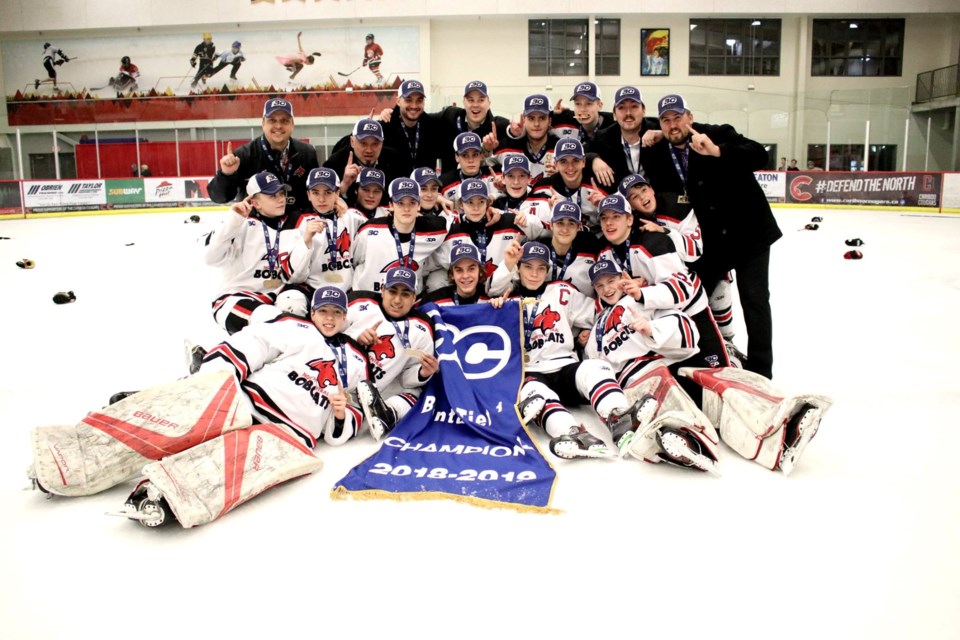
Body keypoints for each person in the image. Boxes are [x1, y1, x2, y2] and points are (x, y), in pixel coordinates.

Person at [640, 94, 782, 379]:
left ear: (689, 118)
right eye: (665, 120)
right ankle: (706, 356)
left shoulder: (717, 134)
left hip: (748, 233)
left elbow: (759, 154)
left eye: (677, 117)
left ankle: (761, 372)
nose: (672, 124)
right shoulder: (657, 151)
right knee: (693, 295)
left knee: (754, 299)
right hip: (709, 242)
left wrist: (718, 151)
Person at [500, 241, 649, 460]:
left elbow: (598, 311)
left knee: (596, 367)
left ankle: (620, 417)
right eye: (528, 267)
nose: (534, 273)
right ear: (518, 268)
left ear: (548, 270)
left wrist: (628, 290)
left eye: (541, 268)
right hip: (529, 372)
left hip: (565, 366)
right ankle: (573, 434)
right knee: (534, 396)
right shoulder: (505, 300)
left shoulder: (562, 291)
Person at [583, 259, 721, 470]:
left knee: (714, 387)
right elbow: (595, 369)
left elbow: (685, 327)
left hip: (665, 367)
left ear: (622, 279)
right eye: (600, 286)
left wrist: (652, 329)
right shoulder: (597, 329)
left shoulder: (641, 298)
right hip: (634, 384)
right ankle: (683, 439)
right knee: (654, 389)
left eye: (611, 281)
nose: (606, 289)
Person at [595, 192, 728, 404]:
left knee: (718, 384)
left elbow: (682, 289)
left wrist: (642, 292)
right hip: (655, 324)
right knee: (682, 390)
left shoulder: (653, 242)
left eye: (616, 217)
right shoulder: (605, 254)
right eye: (604, 218)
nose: (609, 223)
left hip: (690, 313)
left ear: (630, 219)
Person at [202, 171, 314, 335]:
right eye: (272, 196)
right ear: (255, 202)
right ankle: (226, 356)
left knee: (294, 306)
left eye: (282, 193)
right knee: (268, 318)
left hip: (277, 297)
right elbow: (211, 258)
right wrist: (233, 221)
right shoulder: (240, 225)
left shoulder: (296, 224)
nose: (281, 199)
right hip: (236, 298)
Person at [346, 267, 439, 440]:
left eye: (405, 294)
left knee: (417, 394)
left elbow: (407, 380)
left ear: (414, 298)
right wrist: (353, 339)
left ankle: (387, 415)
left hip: (369, 396)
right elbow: (324, 336)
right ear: (382, 290)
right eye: (392, 291)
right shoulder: (358, 303)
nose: (397, 300)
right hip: (337, 384)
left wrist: (422, 372)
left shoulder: (422, 328)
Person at [428, 178, 543, 292]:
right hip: (466, 290)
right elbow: (429, 262)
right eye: (470, 202)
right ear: (461, 204)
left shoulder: (510, 222)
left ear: (488, 203)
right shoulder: (451, 231)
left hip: (502, 290)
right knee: (435, 280)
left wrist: (526, 219)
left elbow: (540, 231)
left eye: (481, 202)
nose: (476, 208)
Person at [209, 97, 319, 216]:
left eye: (284, 121)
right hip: (257, 228)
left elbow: (315, 192)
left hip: (296, 228)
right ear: (263, 124)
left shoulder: (307, 153)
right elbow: (219, 198)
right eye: (272, 120)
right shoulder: (244, 155)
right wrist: (227, 174)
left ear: (292, 124)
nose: (278, 126)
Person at [350, 177, 447, 294]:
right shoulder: (369, 231)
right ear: (390, 205)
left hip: (408, 301)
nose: (406, 209)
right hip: (368, 299)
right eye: (400, 203)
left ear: (419, 206)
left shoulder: (435, 230)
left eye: (412, 203)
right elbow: (354, 261)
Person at [299, 167, 367, 292]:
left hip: (349, 290)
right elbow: (294, 275)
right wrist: (305, 241)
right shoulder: (299, 222)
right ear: (308, 195)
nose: (321, 199)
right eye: (315, 193)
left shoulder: (353, 217)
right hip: (313, 290)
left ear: (337, 193)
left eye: (328, 192)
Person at [323, 118, 410, 209]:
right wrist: (344, 185)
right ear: (352, 142)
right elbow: (322, 203)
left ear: (382, 143)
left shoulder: (395, 161)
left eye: (375, 144)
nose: (369, 150)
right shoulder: (335, 164)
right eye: (363, 144)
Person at [585, 86, 659, 190]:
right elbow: (581, 153)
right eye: (621, 108)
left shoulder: (657, 129)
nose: (628, 113)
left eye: (634, 106)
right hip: (621, 200)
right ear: (614, 115)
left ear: (643, 111)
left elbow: (684, 131)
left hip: (656, 199)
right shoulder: (603, 137)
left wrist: (663, 134)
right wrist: (594, 159)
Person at [531, 138, 607, 234]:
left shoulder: (601, 185)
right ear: (555, 164)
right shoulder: (541, 187)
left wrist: (605, 207)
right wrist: (551, 213)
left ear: (583, 162)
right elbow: (532, 223)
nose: (570, 167)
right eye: (563, 161)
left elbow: (620, 221)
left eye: (575, 160)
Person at [435, 80, 510, 174]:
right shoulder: (449, 116)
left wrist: (517, 133)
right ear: (463, 102)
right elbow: (425, 120)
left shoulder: (500, 126)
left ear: (489, 103)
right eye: (471, 100)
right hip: (450, 185)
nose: (475, 105)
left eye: (481, 100)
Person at [377, 80, 443, 173]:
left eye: (419, 100)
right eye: (408, 100)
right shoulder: (384, 127)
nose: (414, 105)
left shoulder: (432, 127)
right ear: (398, 101)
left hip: (423, 186)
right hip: (393, 186)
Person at [495, 94, 561, 179]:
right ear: (523, 119)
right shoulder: (507, 148)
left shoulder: (560, 149)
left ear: (549, 121)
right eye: (531, 118)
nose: (536, 124)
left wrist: (562, 178)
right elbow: (481, 163)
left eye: (542, 118)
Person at [439, 131, 500, 208]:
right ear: (457, 157)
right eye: (465, 155)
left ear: (481, 155)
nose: (471, 160)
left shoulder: (496, 174)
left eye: (475, 154)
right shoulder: (444, 182)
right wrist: (435, 197)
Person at [422, 244, 493, 306]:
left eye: (471, 269)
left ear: (480, 271)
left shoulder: (492, 299)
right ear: (451, 274)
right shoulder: (432, 301)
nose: (465, 276)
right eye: (459, 270)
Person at [549, 82, 614, 144]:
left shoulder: (614, 124)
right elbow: (543, 120)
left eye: (589, 104)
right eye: (578, 104)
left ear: (600, 105)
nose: (582, 109)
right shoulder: (566, 118)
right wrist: (553, 113)